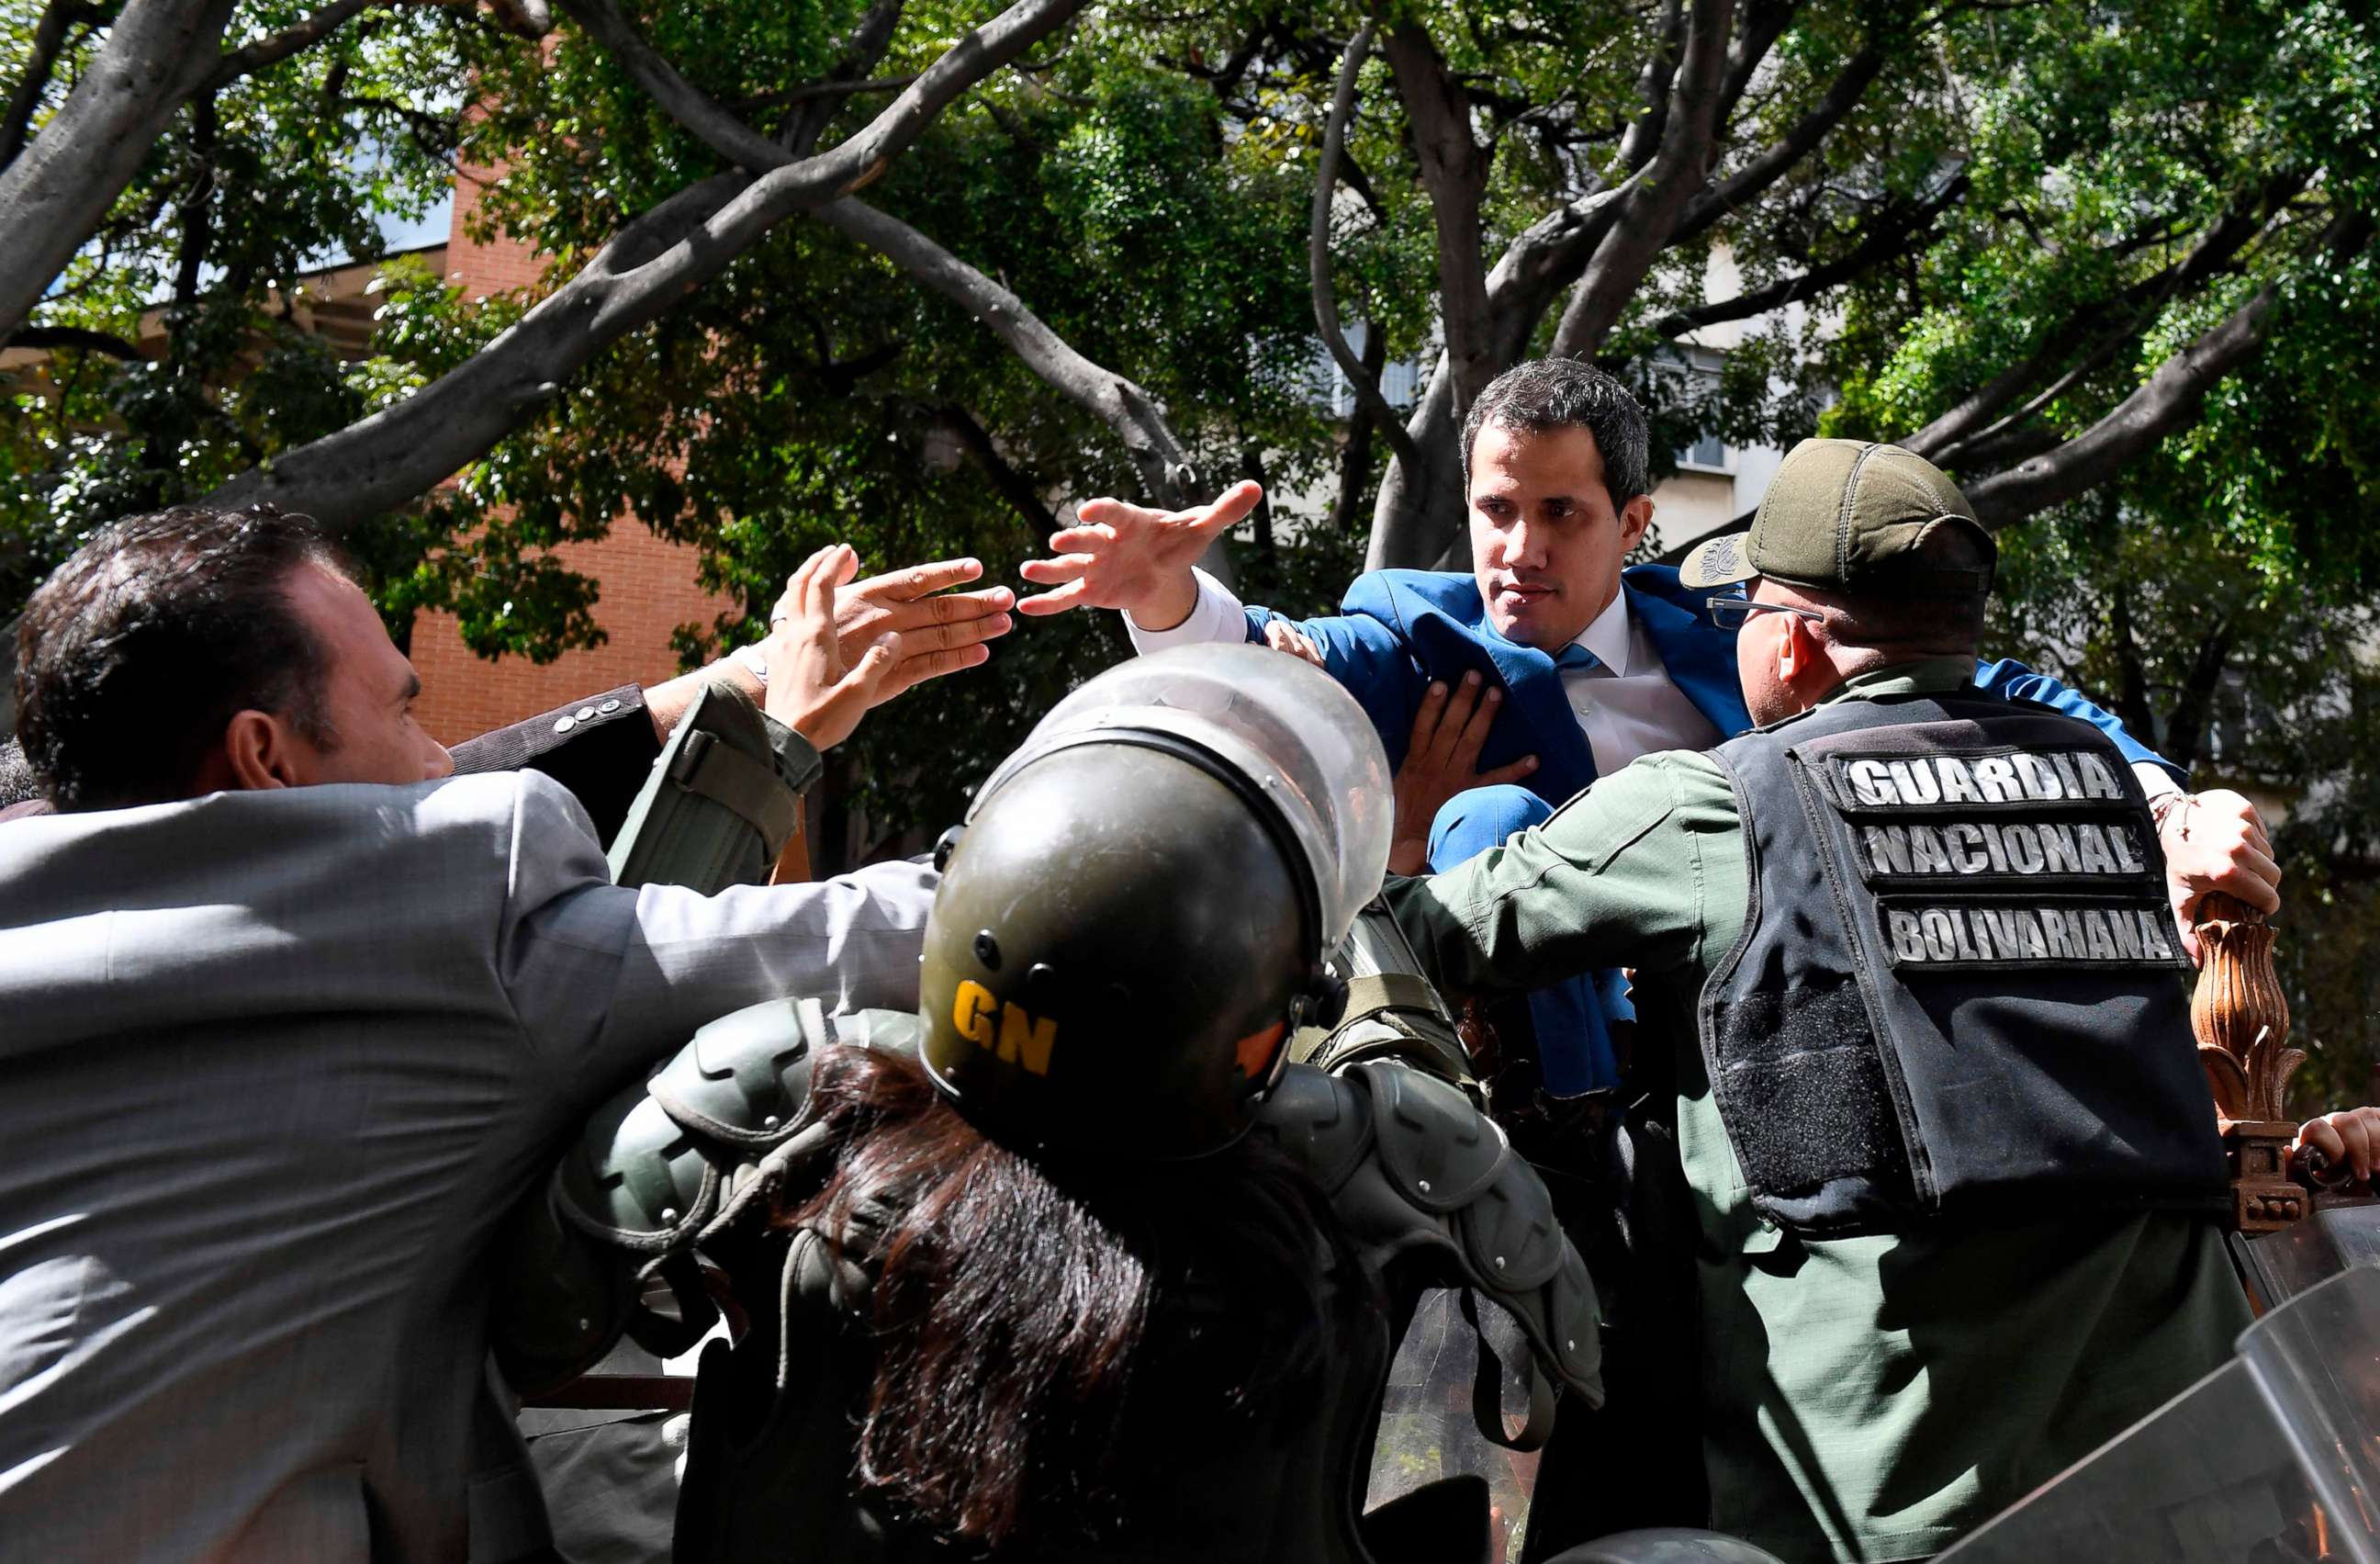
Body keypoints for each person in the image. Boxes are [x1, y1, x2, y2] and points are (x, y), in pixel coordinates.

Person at [1378, 438, 2352, 1563]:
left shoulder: (1723, 802)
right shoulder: (2119, 792)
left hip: (1887, 1507)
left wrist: (1410, 831)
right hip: (2200, 1488)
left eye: (1743, 606)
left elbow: (1419, 932)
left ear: (1791, 639)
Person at [0, 504, 987, 1562]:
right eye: (404, 712)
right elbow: (913, 933)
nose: (441, 764)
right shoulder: (456, 917)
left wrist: (745, 701)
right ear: (265, 759)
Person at [490, 646, 1605, 1564]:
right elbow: (1515, 1453)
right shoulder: (1376, 1175)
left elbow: (533, 1317)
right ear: (1264, 1015)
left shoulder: (787, 1105)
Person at [1014, 358, 2255, 1097]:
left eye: (1561, 511)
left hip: (1783, 1034)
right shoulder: (1419, 633)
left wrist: (2169, 804)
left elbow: (2005, 692)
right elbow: (1284, 662)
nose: (1519, 546)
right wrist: (1161, 596)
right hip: (1555, 1090)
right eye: (1496, 508)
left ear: (1637, 521)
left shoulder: (1750, 639)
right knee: (1488, 820)